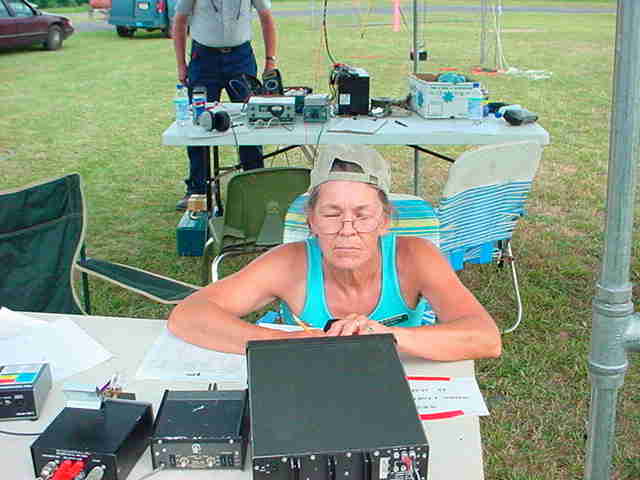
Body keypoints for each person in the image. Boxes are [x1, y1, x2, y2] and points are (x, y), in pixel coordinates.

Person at [168, 144, 502, 361]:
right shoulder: (288, 262)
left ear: (384, 221)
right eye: (331, 214)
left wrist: (388, 336)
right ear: (311, 220)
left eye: (362, 215)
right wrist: (280, 342)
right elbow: (190, 314)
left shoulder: (415, 256)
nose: (347, 229)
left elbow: (485, 337)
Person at [172, 0, 277, 210]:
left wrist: (270, 61)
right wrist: (181, 64)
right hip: (203, 58)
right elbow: (180, 21)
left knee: (251, 121)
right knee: (200, 122)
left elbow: (266, 18)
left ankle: (254, 182)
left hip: (241, 58)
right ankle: (198, 189)